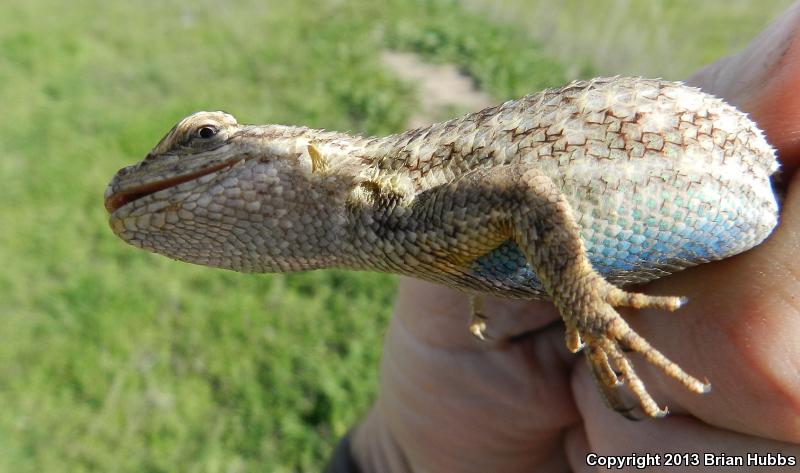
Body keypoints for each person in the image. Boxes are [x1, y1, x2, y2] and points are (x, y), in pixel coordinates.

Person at [327, 3, 800, 471]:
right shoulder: (395, 224)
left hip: (719, 160)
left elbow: (524, 196)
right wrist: (398, 458)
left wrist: (587, 310)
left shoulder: (388, 203)